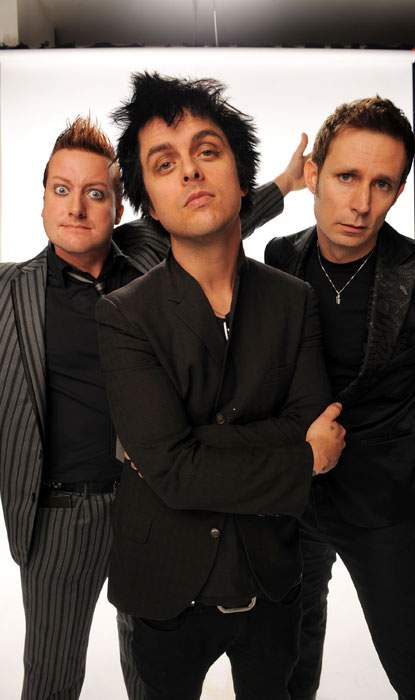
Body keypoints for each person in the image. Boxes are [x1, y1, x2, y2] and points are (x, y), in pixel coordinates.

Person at [0, 114, 300, 700]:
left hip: (154, 507)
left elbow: (212, 216)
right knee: (52, 676)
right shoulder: (10, 292)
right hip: (60, 515)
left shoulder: (148, 257)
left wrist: (287, 184)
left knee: (152, 677)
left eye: (95, 194)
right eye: (61, 190)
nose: (76, 207)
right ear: (42, 203)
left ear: (118, 208)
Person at [96, 71, 346, 700]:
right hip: (165, 585)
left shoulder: (294, 300)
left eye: (206, 151)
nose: (190, 171)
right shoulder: (124, 314)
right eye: (164, 163)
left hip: (272, 578)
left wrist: (188, 449)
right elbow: (174, 470)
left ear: (241, 174)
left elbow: (303, 422)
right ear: (152, 205)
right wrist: (300, 457)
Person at [265, 96, 415, 700]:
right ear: (313, 175)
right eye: (346, 177)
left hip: (382, 498)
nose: (361, 203)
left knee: (413, 659)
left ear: (400, 190)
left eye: (381, 184)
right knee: (291, 648)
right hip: (295, 490)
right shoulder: (281, 257)